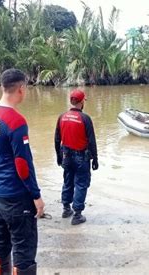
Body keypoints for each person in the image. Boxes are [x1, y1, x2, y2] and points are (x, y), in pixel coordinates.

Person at [0, 69, 44, 275]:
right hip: (16, 196)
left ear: (2, 87)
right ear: (21, 89)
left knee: (0, 241)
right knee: (24, 247)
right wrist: (36, 196)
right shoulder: (16, 121)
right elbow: (23, 165)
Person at [54, 89, 98, 226]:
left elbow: (57, 139)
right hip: (81, 157)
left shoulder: (62, 117)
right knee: (81, 183)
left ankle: (66, 209)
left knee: (68, 181)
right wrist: (95, 159)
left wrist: (58, 156)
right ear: (81, 102)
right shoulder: (85, 118)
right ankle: (77, 214)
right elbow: (91, 141)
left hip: (66, 155)